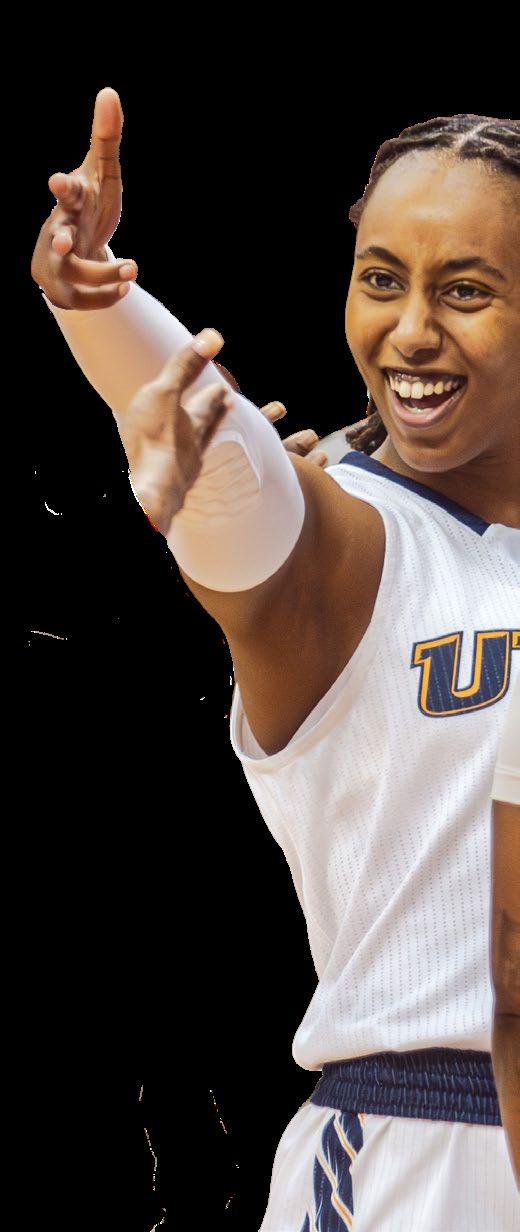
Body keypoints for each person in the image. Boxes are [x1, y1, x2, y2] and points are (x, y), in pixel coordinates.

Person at [32, 91, 519, 1228]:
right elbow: (234, 472)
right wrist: (101, 305)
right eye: (380, 279)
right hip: (420, 1152)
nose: (409, 330)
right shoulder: (349, 539)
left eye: (464, 289)